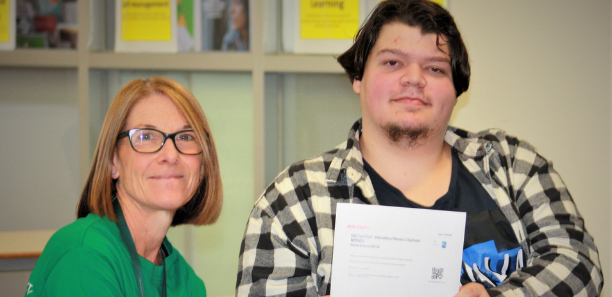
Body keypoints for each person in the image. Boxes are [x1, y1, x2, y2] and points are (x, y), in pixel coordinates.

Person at [236, 1, 603, 296]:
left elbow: (579, 263)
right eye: (393, 62)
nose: (414, 78)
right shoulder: (292, 199)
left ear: (457, 90)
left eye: (436, 69)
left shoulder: (512, 164)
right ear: (358, 78)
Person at [26, 76, 223, 296]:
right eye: (146, 136)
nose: (171, 155)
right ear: (113, 161)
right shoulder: (85, 256)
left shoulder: (185, 280)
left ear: (204, 165)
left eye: (186, 136)